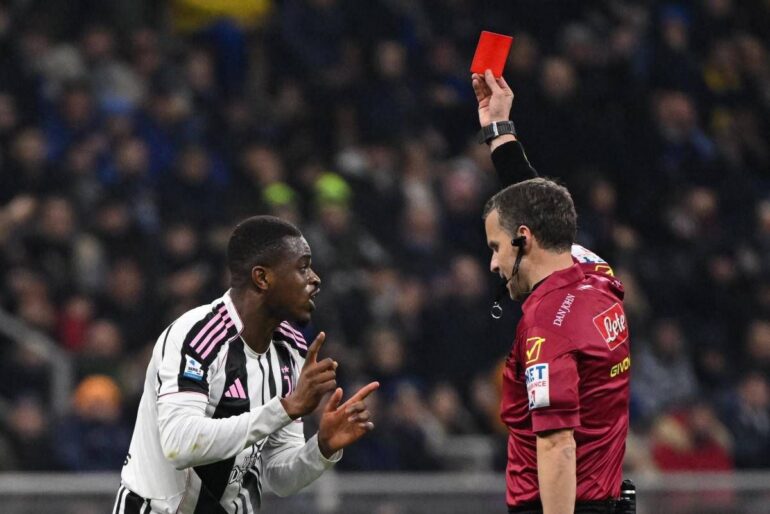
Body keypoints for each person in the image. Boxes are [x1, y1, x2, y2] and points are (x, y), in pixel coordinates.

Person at [115, 215, 379, 514]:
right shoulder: (197, 336)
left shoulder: (290, 347)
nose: (315, 279)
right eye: (303, 267)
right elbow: (179, 444)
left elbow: (279, 476)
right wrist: (284, 409)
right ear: (262, 278)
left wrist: (322, 448)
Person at [474, 70, 631, 514]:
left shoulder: (548, 328)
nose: (493, 264)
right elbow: (539, 211)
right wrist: (498, 130)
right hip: (602, 498)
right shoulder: (594, 270)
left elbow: (557, 445)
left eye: (496, 247)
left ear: (523, 239)